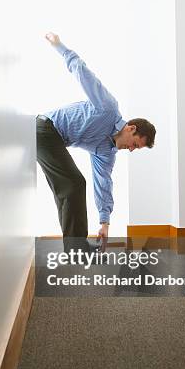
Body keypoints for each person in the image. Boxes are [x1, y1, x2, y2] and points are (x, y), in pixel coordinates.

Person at [37, 32, 156, 254]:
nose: (131, 149)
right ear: (131, 128)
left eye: (135, 149)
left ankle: (73, 250)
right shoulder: (108, 108)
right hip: (44, 129)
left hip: (54, 140)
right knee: (74, 183)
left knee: (65, 191)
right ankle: (77, 250)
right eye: (135, 144)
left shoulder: (107, 151)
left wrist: (105, 223)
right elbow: (82, 73)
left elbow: (103, 183)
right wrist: (59, 46)